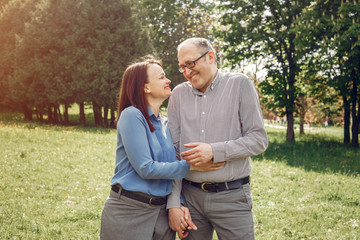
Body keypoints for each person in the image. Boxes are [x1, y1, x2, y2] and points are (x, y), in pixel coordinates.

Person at [100, 56, 223, 240]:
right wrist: (191, 166)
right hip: (129, 212)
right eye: (161, 77)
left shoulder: (164, 123)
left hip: (162, 216)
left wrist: (177, 205)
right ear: (146, 87)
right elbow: (146, 168)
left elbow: (169, 169)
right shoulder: (132, 116)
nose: (168, 81)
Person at [166, 38, 269, 240]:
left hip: (232, 198)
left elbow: (258, 139)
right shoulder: (178, 94)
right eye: (182, 67)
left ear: (210, 56)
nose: (187, 72)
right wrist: (174, 203)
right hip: (190, 197)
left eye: (191, 64)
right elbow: (173, 152)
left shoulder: (240, 84)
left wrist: (214, 151)